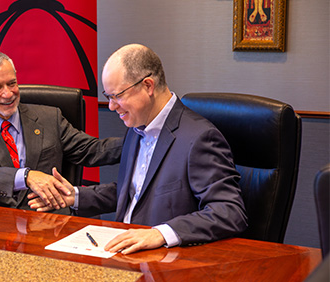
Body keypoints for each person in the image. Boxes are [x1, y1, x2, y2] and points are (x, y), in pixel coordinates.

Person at [29, 43, 248, 253]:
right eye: (109, 97)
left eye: (118, 96)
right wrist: (75, 196)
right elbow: (133, 191)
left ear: (148, 86)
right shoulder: (137, 126)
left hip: (166, 262)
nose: (112, 106)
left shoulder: (199, 138)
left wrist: (160, 234)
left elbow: (229, 212)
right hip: (121, 253)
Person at [0, 50, 122, 213]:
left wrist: (139, 139)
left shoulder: (49, 118)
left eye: (12, 83)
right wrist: (26, 176)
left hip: (48, 219)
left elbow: (93, 150)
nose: (8, 94)